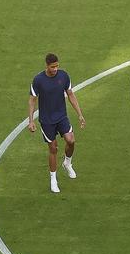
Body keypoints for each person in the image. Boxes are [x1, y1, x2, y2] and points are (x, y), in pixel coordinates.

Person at [28, 53, 86, 194]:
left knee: (71, 140)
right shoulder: (38, 80)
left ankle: (67, 163)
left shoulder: (63, 76)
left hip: (61, 117)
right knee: (53, 149)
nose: (55, 69)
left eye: (57, 66)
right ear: (47, 65)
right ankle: (53, 179)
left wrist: (80, 114)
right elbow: (32, 100)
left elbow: (71, 94)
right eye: (52, 67)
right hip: (46, 120)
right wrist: (31, 120)